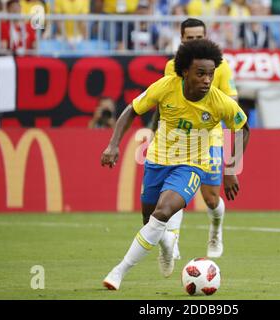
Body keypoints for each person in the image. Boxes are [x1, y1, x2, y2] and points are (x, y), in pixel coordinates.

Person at [100, 39, 250, 290]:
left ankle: (119, 271)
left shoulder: (218, 100)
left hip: (192, 165)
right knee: (150, 221)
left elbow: (242, 129)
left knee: (163, 212)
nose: (206, 80)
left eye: (210, 74)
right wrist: (113, 143)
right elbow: (132, 109)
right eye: (200, 73)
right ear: (184, 72)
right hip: (157, 161)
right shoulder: (166, 87)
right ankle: (167, 245)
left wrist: (231, 168)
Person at [153, 18, 239, 261]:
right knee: (174, 190)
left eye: (198, 37)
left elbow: (233, 109)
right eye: (189, 38)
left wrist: (232, 164)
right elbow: (164, 102)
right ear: (181, 39)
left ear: (206, 37)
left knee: (210, 198)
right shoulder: (172, 67)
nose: (194, 42)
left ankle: (215, 229)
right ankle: (173, 241)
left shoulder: (221, 67)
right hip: (179, 137)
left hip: (209, 135)